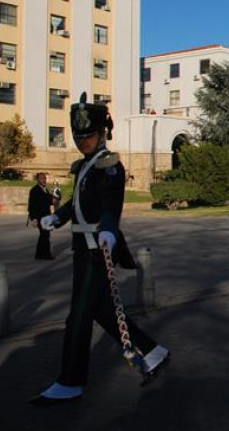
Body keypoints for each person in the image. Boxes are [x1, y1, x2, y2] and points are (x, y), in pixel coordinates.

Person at [31, 93, 168, 406]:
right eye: (79, 137)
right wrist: (58, 217)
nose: (83, 142)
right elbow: (76, 202)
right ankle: (152, 351)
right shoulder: (86, 166)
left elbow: (110, 204)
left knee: (78, 317)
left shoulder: (110, 166)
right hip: (84, 247)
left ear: (103, 132)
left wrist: (108, 231)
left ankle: (70, 381)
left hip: (97, 249)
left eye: (88, 136)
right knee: (104, 312)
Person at [28, 173, 56, 260]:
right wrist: (34, 219)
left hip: (46, 216)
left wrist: (55, 198)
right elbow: (31, 205)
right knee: (45, 234)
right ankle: (46, 254)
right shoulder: (34, 190)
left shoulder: (45, 190)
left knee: (44, 235)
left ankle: (39, 254)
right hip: (40, 216)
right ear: (37, 180)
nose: (44, 180)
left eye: (44, 178)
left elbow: (48, 201)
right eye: (41, 178)